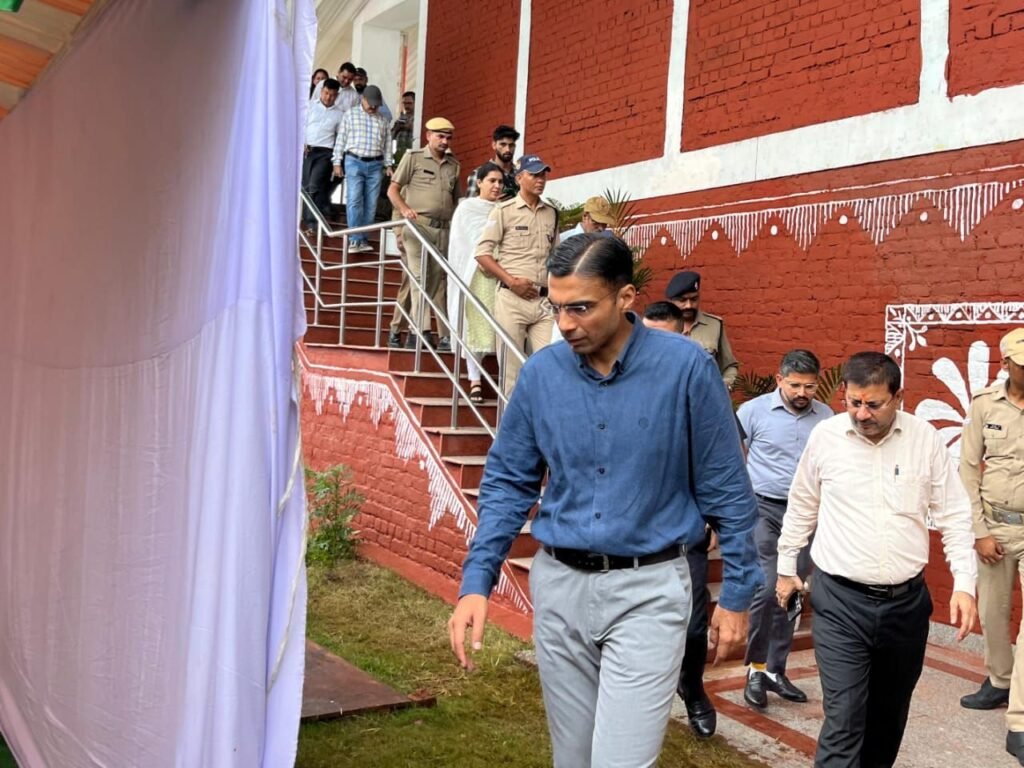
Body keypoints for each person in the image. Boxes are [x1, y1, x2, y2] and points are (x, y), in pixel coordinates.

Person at [449, 234, 760, 768]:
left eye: (581, 307)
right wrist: (478, 579)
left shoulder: (686, 368)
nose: (565, 323)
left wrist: (736, 595)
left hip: (650, 589)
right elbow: (508, 482)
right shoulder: (542, 374)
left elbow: (727, 488)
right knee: (572, 759)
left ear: (625, 297)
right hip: (559, 588)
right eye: (556, 307)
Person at [777, 351, 978, 768]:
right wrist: (785, 568)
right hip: (840, 602)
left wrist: (963, 584)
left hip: (905, 606)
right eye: (853, 402)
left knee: (887, 719)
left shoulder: (924, 439)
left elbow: (955, 514)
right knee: (845, 718)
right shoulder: (826, 438)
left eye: (873, 404)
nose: (861, 414)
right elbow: (802, 504)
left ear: (898, 397)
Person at [641, 300, 722, 739]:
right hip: (628, 531)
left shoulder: (700, 387)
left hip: (684, 530)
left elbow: (719, 464)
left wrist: (711, 517)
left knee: (692, 624)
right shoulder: (618, 383)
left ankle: (692, 688)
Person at [738, 349, 832, 710]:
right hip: (763, 508)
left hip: (805, 514)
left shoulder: (826, 418)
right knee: (767, 586)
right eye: (795, 385)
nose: (802, 393)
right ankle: (756, 669)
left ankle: (776, 670)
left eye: (809, 386)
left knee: (791, 589)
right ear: (779, 380)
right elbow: (732, 455)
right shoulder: (752, 411)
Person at [958, 328, 1024, 764]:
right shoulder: (985, 404)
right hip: (996, 528)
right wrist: (979, 531)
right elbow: (968, 469)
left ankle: (1019, 721)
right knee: (993, 614)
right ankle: (999, 681)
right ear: (1006, 365)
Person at [474, 155, 559, 393]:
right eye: (534, 175)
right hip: (512, 300)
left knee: (550, 366)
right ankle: (510, 418)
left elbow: (556, 257)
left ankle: (541, 416)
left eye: (543, 175)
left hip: (543, 301)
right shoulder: (503, 211)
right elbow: (482, 254)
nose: (541, 180)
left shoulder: (552, 213)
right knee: (511, 372)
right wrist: (511, 282)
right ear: (520, 178)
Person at [387, 118, 460, 350]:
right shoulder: (414, 157)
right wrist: (402, 215)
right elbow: (393, 190)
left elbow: (455, 201)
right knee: (418, 279)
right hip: (417, 227)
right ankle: (421, 330)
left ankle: (411, 331)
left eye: (448, 137)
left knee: (435, 283)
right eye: (440, 136)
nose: (444, 141)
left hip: (443, 229)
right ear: (428, 135)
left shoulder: (453, 164)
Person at [446, 163, 504, 402]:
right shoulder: (467, 209)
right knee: (473, 325)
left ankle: (504, 381)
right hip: (474, 274)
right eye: (492, 181)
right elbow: (462, 242)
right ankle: (475, 380)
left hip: (500, 273)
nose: (497, 186)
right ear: (479, 182)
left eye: (500, 182)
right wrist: (479, 259)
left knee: (499, 324)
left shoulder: (504, 209)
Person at [332, 85, 393, 253]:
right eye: (370, 103)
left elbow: (387, 145)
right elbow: (341, 139)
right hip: (354, 161)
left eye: (376, 104)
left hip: (376, 164)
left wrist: (388, 164)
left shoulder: (383, 120)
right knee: (354, 199)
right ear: (363, 99)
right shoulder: (350, 115)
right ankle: (355, 239)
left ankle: (363, 239)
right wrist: (337, 162)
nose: (373, 107)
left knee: (371, 204)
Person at [665, 271, 739, 390]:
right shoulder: (660, 328)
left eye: (694, 299)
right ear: (671, 302)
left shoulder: (714, 325)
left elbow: (729, 366)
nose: (689, 305)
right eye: (682, 300)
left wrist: (725, 386)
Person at [301, 78, 344, 233]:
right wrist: (301, 143)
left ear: (337, 95)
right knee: (306, 186)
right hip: (307, 150)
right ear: (321, 91)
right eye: (326, 93)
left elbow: (340, 138)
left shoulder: (340, 114)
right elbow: (301, 126)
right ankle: (307, 220)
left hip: (325, 152)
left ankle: (312, 223)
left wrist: (336, 160)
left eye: (332, 95)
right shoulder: (309, 107)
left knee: (315, 184)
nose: (328, 97)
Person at [466, 125, 520, 200]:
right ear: (494, 145)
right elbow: (470, 205)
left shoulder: (520, 174)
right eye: (503, 144)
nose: (507, 149)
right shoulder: (478, 173)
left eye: (511, 145)